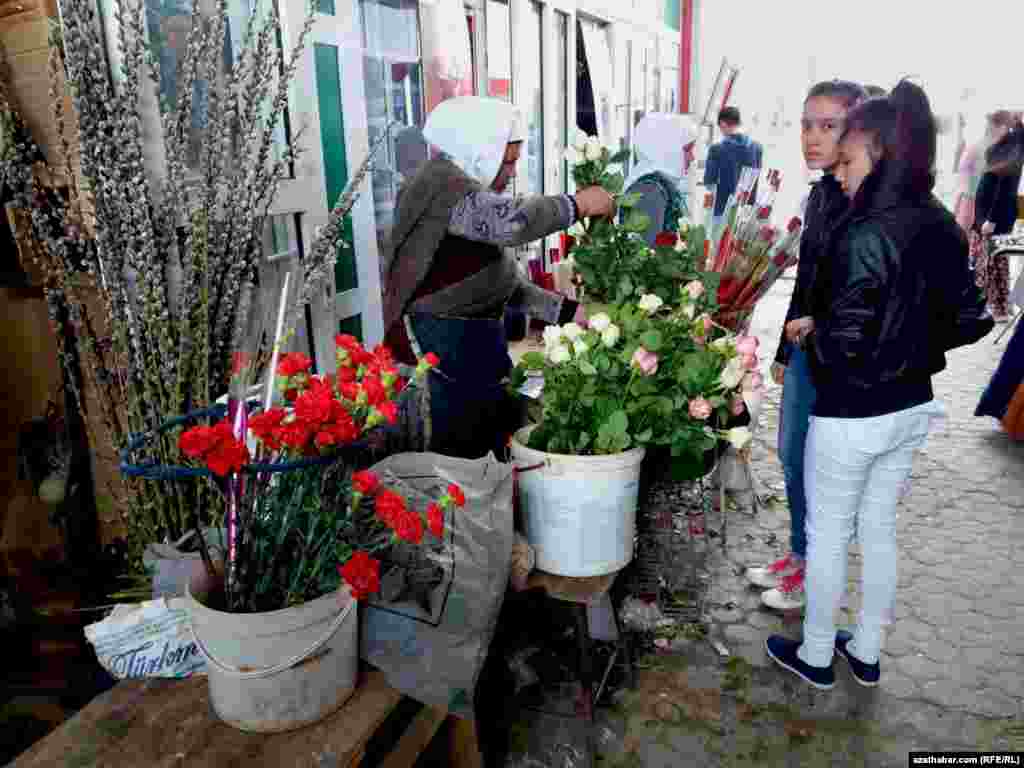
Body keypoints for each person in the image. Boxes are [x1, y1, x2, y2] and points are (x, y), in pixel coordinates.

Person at [765, 81, 993, 689]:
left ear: (879, 154)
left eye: (846, 160)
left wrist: (816, 334)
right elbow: (973, 318)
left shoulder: (863, 232)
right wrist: (910, 345)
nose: (838, 173)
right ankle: (866, 651)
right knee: (878, 529)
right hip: (911, 406)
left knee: (829, 533)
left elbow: (846, 346)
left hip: (852, 413)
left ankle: (815, 656)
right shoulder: (939, 221)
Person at [381, 96, 616, 461]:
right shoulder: (442, 187)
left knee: (484, 458)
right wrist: (578, 204)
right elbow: (511, 221)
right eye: (507, 162)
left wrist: (571, 313)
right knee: (452, 467)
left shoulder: (464, 190)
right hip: (438, 357)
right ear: (478, 149)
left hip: (472, 353)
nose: (510, 173)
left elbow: (503, 284)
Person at [747, 80, 868, 612]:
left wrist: (820, 328)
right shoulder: (820, 194)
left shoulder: (864, 201)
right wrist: (780, 351)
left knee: (823, 472)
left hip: (841, 360)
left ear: (857, 132)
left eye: (828, 125)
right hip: (802, 352)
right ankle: (799, 554)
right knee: (793, 459)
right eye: (806, 124)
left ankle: (815, 574)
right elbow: (806, 280)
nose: (812, 137)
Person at [974, 112, 1024, 322]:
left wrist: (991, 220)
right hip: (991, 217)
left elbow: (1004, 189)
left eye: (994, 126)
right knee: (993, 260)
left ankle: (1000, 307)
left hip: (995, 218)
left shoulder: (1010, 150)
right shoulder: (1003, 149)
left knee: (995, 261)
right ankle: (997, 305)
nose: (991, 131)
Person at [623, 113, 697, 245]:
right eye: (687, 150)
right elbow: (644, 256)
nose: (692, 157)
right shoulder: (649, 191)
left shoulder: (657, 185)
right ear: (667, 149)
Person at [703, 106, 763, 231]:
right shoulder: (757, 148)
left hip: (721, 212)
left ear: (723, 124)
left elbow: (709, 183)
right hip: (745, 214)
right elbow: (755, 181)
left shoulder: (716, 149)